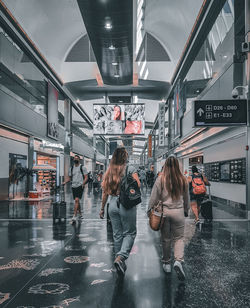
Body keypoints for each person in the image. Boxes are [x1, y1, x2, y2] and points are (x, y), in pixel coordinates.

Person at [99, 147, 140, 276]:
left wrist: (102, 209)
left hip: (112, 204)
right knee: (129, 233)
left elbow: (104, 192)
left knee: (117, 234)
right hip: (125, 204)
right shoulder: (130, 169)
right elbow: (137, 185)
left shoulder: (109, 171)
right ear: (124, 157)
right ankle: (121, 257)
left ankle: (119, 263)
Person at [148, 155, 189, 280]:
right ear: (177, 165)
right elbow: (187, 197)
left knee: (166, 239)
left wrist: (149, 209)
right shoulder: (183, 179)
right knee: (179, 238)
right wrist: (186, 210)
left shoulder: (161, 179)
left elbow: (154, 196)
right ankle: (178, 260)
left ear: (165, 165)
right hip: (179, 212)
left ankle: (166, 263)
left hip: (164, 212)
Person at [63, 155, 88, 224]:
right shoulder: (71, 168)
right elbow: (70, 178)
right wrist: (65, 182)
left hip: (80, 185)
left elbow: (86, 177)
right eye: (74, 158)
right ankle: (80, 214)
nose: (75, 159)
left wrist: (83, 183)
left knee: (76, 200)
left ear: (79, 160)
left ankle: (74, 216)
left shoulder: (82, 167)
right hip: (73, 186)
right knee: (77, 201)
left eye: (77, 159)